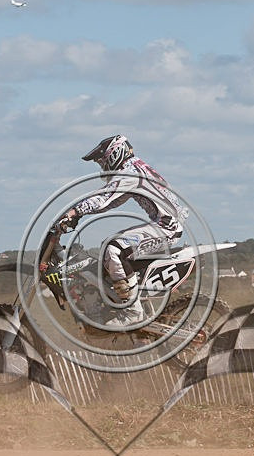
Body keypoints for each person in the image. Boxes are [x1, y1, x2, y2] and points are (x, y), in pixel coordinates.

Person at [58, 135, 188, 325]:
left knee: (113, 248)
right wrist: (79, 214)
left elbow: (105, 198)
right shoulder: (135, 169)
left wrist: (74, 212)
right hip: (164, 224)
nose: (102, 166)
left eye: (102, 161)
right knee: (108, 247)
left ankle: (133, 312)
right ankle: (118, 301)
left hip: (166, 227)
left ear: (115, 154)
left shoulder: (130, 173)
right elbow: (112, 201)